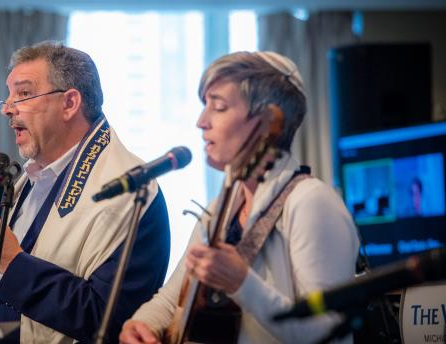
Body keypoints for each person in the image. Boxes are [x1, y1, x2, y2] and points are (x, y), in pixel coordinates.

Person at [119, 51, 360, 344]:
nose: (201, 121)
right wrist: (142, 322)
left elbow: (329, 332)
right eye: (204, 105)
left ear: (268, 119)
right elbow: (174, 298)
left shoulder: (311, 202)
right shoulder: (218, 211)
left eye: (218, 106)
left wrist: (242, 283)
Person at [0, 41, 171, 343]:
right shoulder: (29, 180)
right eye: (9, 96)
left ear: (69, 103)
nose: (8, 109)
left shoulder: (129, 191)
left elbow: (106, 319)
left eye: (24, 93)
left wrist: (12, 263)